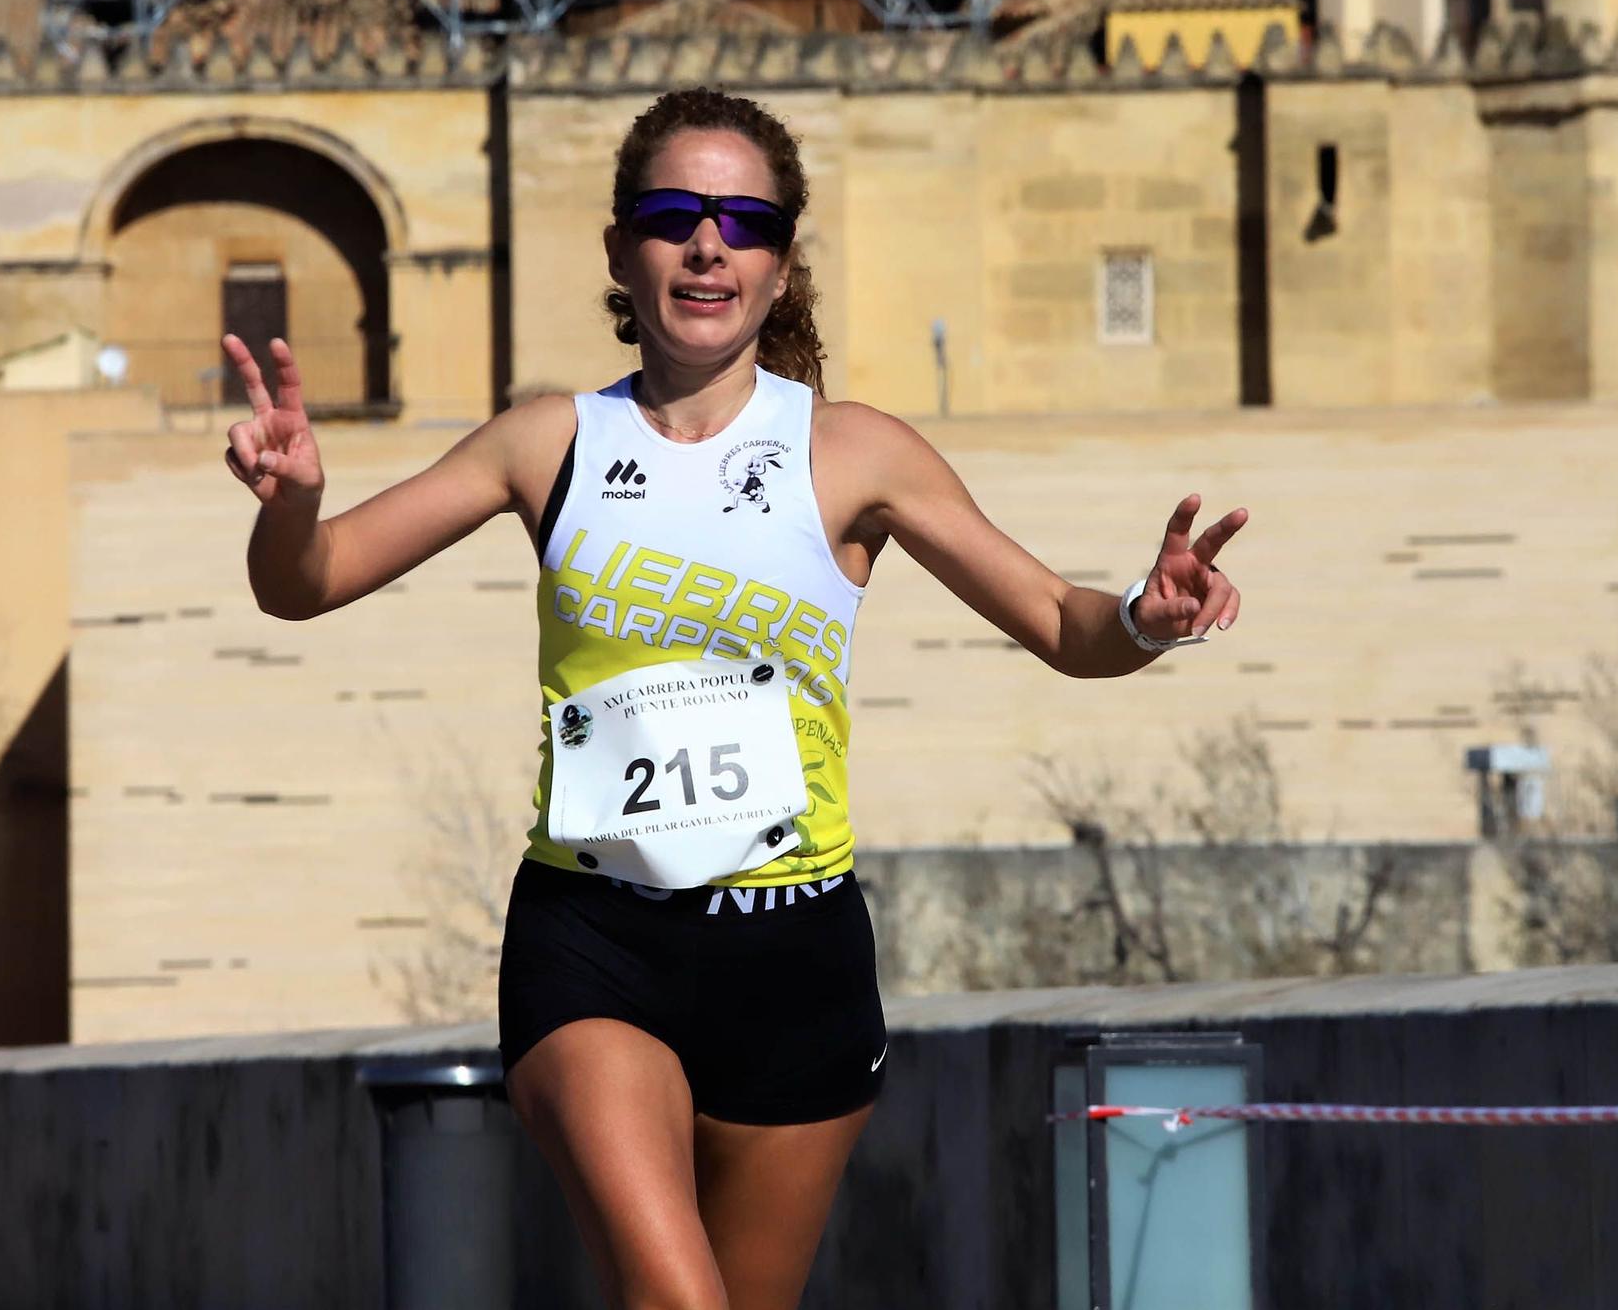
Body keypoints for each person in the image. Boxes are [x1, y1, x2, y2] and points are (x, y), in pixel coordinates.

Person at [223, 87, 1246, 1310]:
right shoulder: (545, 441)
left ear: (778, 263)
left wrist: (1145, 613)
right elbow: (310, 581)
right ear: (620, 251)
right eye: (672, 214)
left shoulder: (857, 452)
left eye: (743, 221)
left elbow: (1062, 627)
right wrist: (289, 506)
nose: (707, 243)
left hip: (795, 957)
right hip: (593, 940)